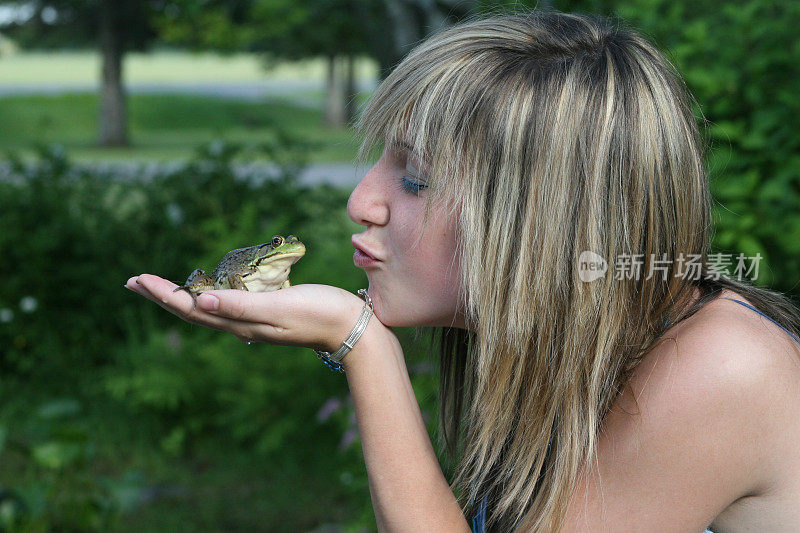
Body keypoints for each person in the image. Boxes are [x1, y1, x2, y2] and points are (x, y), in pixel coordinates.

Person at [126, 9, 800, 532]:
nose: (362, 199)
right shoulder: (562, 343)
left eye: (414, 178)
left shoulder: (721, 365)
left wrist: (358, 342)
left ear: (544, 221)